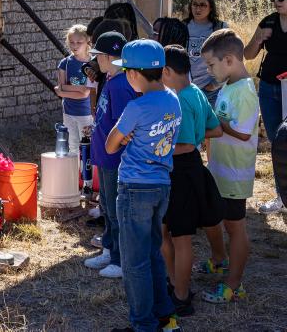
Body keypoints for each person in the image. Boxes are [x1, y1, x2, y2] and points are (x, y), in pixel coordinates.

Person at [106, 39, 182, 332]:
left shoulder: (136, 107)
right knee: (152, 252)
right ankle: (163, 312)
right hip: (161, 185)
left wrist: (125, 136)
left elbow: (112, 145)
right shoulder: (173, 98)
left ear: (133, 74)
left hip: (135, 188)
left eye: (125, 72)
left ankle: (143, 324)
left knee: (134, 262)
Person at [160, 45, 224, 317]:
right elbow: (216, 129)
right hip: (191, 169)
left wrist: (152, 148)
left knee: (181, 238)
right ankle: (174, 284)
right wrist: (199, 135)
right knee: (168, 233)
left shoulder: (181, 100)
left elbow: (184, 145)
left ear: (166, 71)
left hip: (182, 171)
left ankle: (182, 295)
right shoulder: (197, 91)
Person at [199, 29, 259, 304]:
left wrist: (211, 124)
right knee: (219, 219)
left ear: (231, 60)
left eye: (211, 65)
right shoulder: (229, 85)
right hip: (221, 169)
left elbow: (243, 133)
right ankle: (220, 260)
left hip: (236, 174)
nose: (209, 70)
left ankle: (235, 285)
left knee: (236, 229)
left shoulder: (245, 92)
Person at [83, 32, 136, 279]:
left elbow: (125, 125)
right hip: (105, 157)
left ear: (106, 57)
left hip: (115, 159)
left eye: (97, 57)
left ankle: (119, 259)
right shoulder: (112, 80)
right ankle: (108, 248)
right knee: (106, 204)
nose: (95, 62)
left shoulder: (121, 84)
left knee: (115, 209)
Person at [244, 0, 287, 214]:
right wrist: (260, 38)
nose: (276, 1)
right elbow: (247, 54)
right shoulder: (268, 21)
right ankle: (281, 197)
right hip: (270, 89)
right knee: (277, 142)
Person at [183, 0, 228, 106]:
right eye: (195, 4)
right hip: (186, 89)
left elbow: (229, 58)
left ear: (211, 7)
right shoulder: (182, 26)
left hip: (212, 91)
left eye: (203, 5)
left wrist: (216, 84)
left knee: (211, 125)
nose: (198, 8)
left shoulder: (220, 28)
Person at [55, 24, 92, 154]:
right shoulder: (65, 63)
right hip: (68, 112)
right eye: (71, 42)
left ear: (88, 42)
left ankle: (87, 173)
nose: (75, 46)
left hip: (86, 113)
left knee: (87, 145)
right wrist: (80, 89)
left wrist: (66, 88)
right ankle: (75, 173)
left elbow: (86, 94)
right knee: (73, 146)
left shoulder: (93, 63)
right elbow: (61, 91)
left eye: (79, 42)